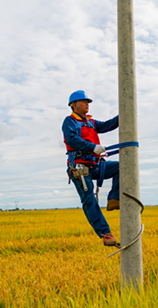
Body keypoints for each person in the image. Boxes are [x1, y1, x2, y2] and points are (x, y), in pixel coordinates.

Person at [62, 90, 120, 247]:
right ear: (74, 105)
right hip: (79, 166)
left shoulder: (91, 122)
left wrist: (125, 114)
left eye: (88, 101)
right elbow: (72, 140)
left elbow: (108, 125)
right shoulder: (70, 122)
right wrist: (92, 147)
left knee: (121, 167)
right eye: (84, 101)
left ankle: (114, 198)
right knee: (89, 199)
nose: (87, 104)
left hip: (95, 165)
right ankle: (105, 234)